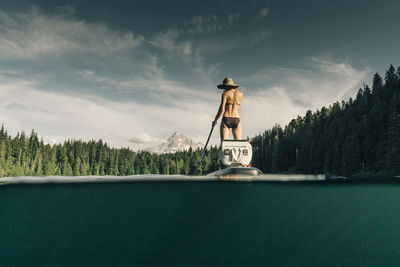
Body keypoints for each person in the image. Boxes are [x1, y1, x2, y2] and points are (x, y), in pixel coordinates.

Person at [212, 77, 243, 142]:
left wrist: (215, 120)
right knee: (238, 144)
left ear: (227, 86)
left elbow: (221, 110)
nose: (224, 88)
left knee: (224, 144)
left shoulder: (225, 94)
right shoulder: (241, 94)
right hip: (237, 119)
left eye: (224, 87)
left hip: (226, 119)